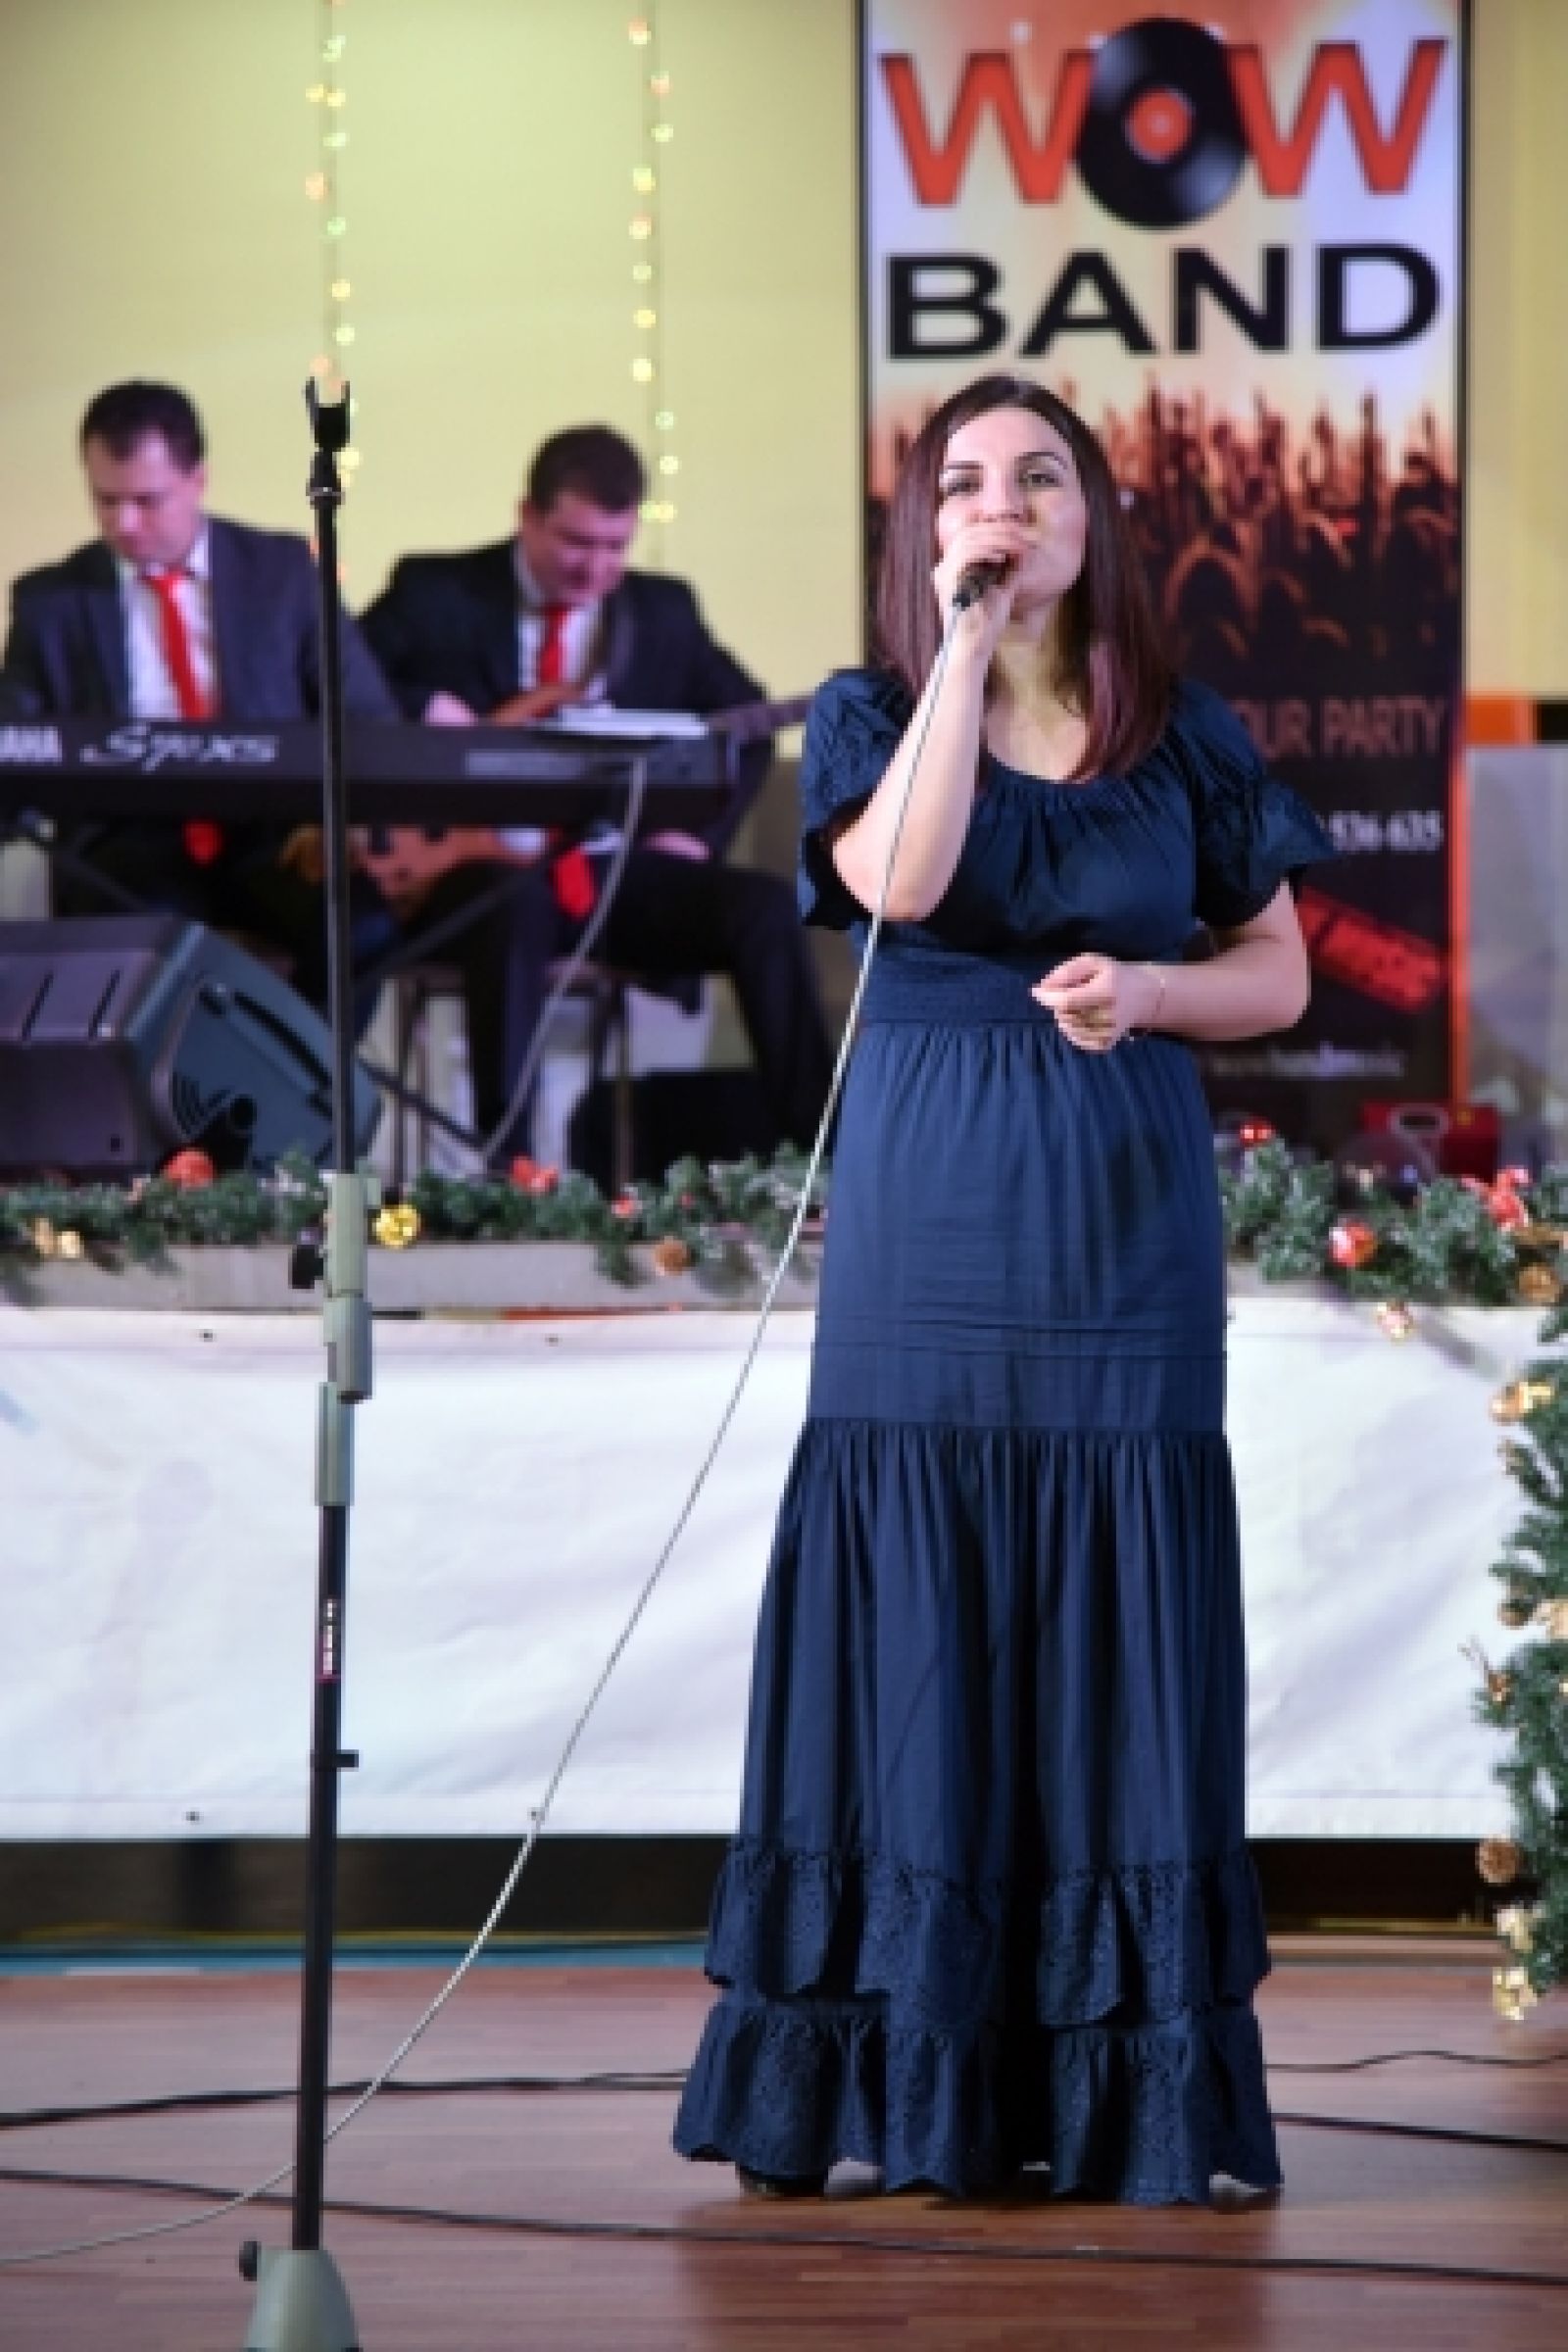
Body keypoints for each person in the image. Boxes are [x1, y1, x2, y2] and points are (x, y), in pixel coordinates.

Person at [673, 374, 1334, 2205]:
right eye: (969, 482)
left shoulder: (1181, 733)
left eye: (1043, 478)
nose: (1008, 505)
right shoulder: (871, 710)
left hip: (1121, 1204)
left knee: (1112, 1603)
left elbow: (1277, 972)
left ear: (1092, 515)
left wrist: (1153, 989)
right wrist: (963, 650)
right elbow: (901, 879)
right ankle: (902, 2074)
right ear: (926, 527)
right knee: (923, 1603)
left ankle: (1128, 2096)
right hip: (934, 1201)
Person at [360, 424, 833, 1162]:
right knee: (514, 904)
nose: (597, 568)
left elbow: (746, 727)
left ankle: (826, 1159)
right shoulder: (436, 591)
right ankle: (513, 1172)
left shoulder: (662, 611)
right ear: (527, 515)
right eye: (577, 543)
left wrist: (695, 835)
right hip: (471, 871)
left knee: (764, 909)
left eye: (616, 547)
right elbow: (340, 678)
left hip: (609, 870)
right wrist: (427, 708)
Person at [0, 379, 398, 991]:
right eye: (105, 500)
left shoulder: (284, 573)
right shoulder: (51, 601)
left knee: (362, 931)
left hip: (276, 835)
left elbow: (365, 713)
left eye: (147, 501)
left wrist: (342, 820)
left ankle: (297, 1060)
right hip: (127, 842)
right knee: (156, 948)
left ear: (198, 480)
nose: (123, 524)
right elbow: (15, 744)